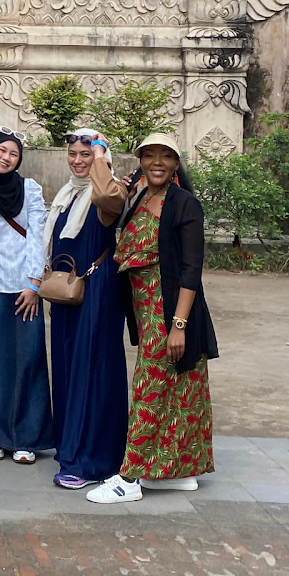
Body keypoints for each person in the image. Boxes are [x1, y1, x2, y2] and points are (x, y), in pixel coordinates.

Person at [88, 133, 219, 504]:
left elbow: (191, 270)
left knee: (150, 389)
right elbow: (105, 207)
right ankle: (176, 472)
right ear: (141, 161)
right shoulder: (141, 196)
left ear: (176, 163)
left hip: (170, 312)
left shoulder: (185, 205)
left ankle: (128, 479)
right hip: (147, 313)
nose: (157, 162)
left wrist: (178, 325)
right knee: (179, 390)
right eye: (150, 156)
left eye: (165, 156)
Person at [45, 128, 129, 489]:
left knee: (92, 369)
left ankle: (91, 460)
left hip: (97, 292)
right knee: (67, 368)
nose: (78, 160)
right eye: (74, 154)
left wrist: (101, 157)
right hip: (68, 294)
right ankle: (70, 447)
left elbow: (109, 198)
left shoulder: (110, 191)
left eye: (86, 154)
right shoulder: (67, 194)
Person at [0, 130, 54, 464]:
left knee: (28, 360)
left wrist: (33, 284)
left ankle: (26, 438)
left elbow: (37, 236)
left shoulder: (29, 189)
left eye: (13, 154)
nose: (6, 157)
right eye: (1, 150)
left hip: (24, 287)